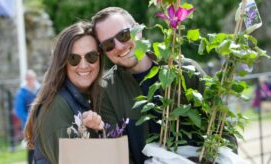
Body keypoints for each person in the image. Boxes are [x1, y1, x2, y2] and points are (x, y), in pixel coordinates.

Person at [92, 7, 236, 164]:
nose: (119, 46)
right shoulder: (105, 92)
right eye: (108, 44)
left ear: (139, 30)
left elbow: (223, 132)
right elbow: (120, 156)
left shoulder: (186, 71)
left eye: (124, 35)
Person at [24, 21, 104, 164]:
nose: (84, 65)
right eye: (74, 58)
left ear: (100, 58)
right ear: (62, 62)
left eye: (91, 56)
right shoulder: (56, 106)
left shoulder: (91, 97)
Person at [14, 69, 40, 164]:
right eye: (29, 78)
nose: (32, 80)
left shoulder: (41, 89)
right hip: (28, 125)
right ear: (26, 79)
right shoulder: (21, 93)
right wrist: (29, 119)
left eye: (33, 78)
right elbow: (19, 110)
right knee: (31, 148)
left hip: (41, 122)